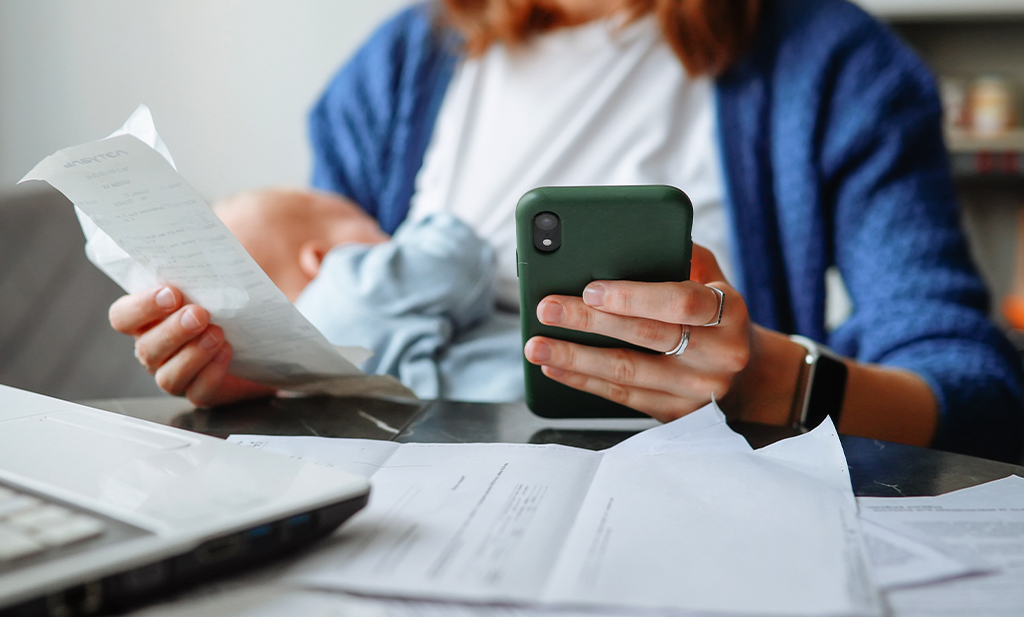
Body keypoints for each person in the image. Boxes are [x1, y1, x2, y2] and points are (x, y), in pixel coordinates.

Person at [110, 0, 1024, 461]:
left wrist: (774, 383)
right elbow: (346, 334)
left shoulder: (836, 67)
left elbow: (978, 396)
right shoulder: (392, 74)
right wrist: (267, 365)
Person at [215, 188, 523, 400]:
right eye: (370, 226)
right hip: (523, 395)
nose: (388, 236)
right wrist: (430, 226)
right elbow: (460, 264)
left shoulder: (292, 379)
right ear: (318, 259)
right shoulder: (348, 283)